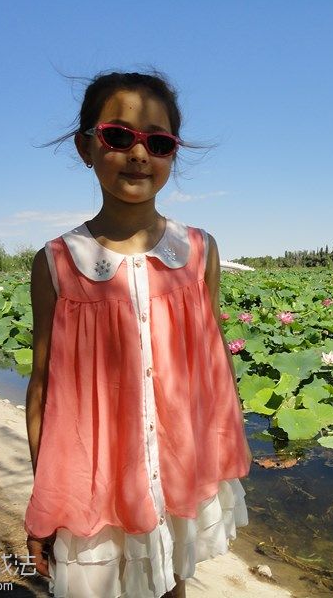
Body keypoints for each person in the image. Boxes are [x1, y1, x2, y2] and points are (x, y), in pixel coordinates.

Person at [23, 71, 252, 598]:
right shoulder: (57, 264)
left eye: (159, 141)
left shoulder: (200, 252)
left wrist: (213, 456)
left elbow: (213, 367)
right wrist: (45, 501)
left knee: (173, 582)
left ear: (173, 153)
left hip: (177, 473)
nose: (139, 154)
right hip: (95, 477)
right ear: (86, 147)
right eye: (119, 136)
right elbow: (42, 387)